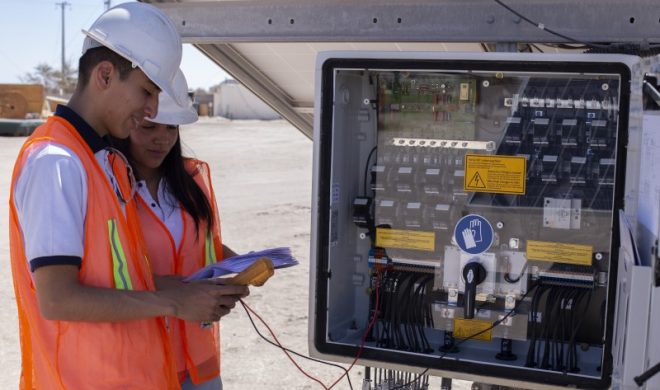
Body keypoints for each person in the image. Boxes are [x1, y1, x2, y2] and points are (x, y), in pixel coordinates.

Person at [8, 3, 248, 389]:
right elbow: (57, 298)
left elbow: (120, 275)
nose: (151, 109)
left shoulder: (101, 162)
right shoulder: (56, 162)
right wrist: (173, 302)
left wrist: (186, 289)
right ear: (105, 75)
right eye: (146, 91)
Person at [113, 69, 235, 390]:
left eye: (171, 128)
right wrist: (175, 295)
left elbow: (202, 246)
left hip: (197, 359)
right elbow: (102, 276)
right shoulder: (108, 190)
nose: (162, 138)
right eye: (149, 126)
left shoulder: (191, 181)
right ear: (126, 122)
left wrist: (242, 266)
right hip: (138, 362)